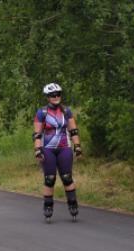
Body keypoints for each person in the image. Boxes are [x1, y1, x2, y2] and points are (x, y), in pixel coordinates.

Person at [33, 83, 82, 222]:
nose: (56, 97)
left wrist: (77, 146)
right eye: (52, 95)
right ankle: (48, 206)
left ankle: (72, 204)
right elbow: (37, 134)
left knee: (67, 177)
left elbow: (73, 131)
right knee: (50, 179)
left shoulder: (66, 111)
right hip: (47, 148)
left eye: (58, 94)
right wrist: (37, 150)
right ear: (48, 97)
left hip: (64, 147)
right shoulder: (42, 112)